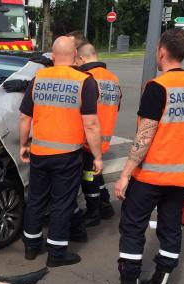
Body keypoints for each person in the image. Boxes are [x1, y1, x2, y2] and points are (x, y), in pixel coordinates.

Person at [98, 29, 184, 284]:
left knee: (133, 228)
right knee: (170, 227)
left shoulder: (157, 87)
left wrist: (125, 174)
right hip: (181, 175)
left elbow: (145, 135)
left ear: (161, 52)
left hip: (151, 175)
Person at [19, 36, 103, 267]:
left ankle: (31, 246)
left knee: (36, 199)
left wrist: (23, 144)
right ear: (75, 56)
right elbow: (91, 124)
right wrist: (96, 156)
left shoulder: (38, 78)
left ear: (53, 56)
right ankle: (56, 253)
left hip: (40, 152)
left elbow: (25, 116)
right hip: (67, 155)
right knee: (62, 202)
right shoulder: (85, 81)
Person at [75, 43, 122, 226]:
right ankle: (105, 203)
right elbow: (117, 107)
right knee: (95, 173)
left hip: (88, 137)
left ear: (82, 59)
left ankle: (93, 212)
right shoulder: (113, 79)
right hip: (104, 136)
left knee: (88, 178)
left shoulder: (87, 78)